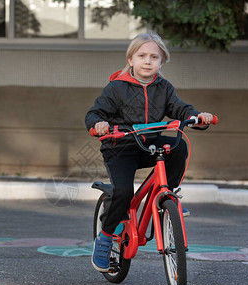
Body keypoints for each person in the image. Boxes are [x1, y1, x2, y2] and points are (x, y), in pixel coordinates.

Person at [85, 32, 215, 272]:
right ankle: (104, 236)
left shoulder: (163, 87)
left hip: (150, 144)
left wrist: (197, 117)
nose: (147, 61)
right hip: (121, 145)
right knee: (123, 192)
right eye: (142, 55)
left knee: (179, 144)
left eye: (154, 57)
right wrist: (98, 124)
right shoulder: (116, 88)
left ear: (161, 62)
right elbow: (95, 113)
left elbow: (180, 108)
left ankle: (168, 195)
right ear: (131, 59)